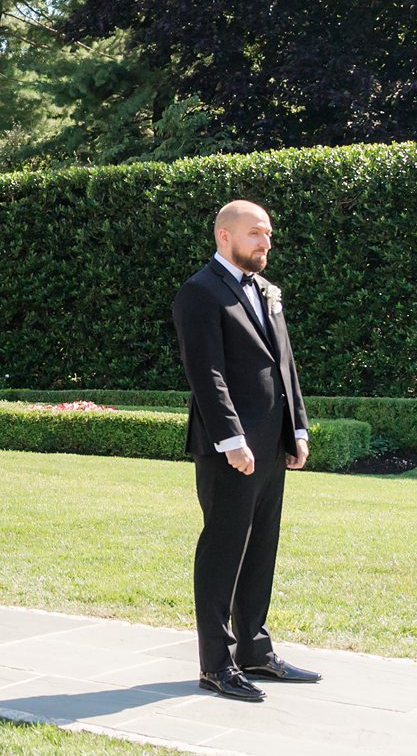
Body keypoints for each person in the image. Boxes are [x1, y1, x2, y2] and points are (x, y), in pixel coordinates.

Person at [172, 199, 320, 703]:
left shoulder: (264, 292)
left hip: (272, 445)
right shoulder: (199, 292)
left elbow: (285, 365)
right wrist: (231, 439)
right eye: (255, 233)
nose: (265, 242)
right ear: (224, 236)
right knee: (223, 551)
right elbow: (205, 372)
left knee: (261, 550)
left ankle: (254, 651)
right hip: (228, 447)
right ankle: (216, 663)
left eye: (269, 234)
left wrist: (296, 428)